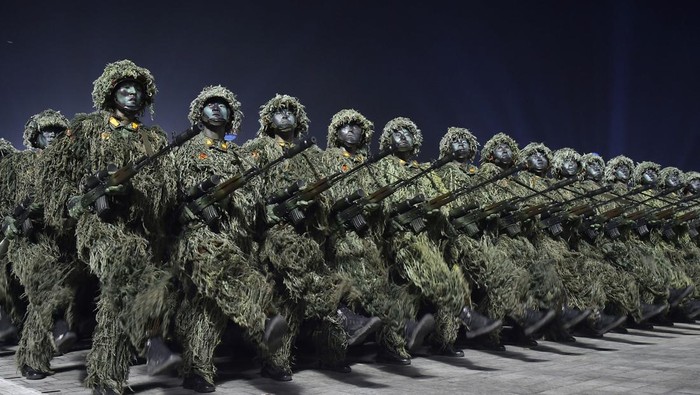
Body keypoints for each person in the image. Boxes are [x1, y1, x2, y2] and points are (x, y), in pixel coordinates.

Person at [39, 60, 181, 394]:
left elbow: (167, 188)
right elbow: (54, 172)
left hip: (138, 231)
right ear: (109, 92)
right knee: (127, 270)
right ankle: (152, 338)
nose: (131, 95)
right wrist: (74, 202)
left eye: (137, 90)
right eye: (124, 89)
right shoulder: (87, 128)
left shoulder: (152, 139)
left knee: (119, 293)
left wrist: (133, 188)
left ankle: (107, 376)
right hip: (96, 226)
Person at [243, 94, 378, 380]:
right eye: (277, 111)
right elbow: (247, 192)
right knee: (303, 288)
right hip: (276, 233)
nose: (284, 116)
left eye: (290, 111)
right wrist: (272, 210)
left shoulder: (313, 154)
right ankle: (279, 358)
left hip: (310, 234)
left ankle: (326, 356)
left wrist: (313, 204)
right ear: (267, 119)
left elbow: (328, 193)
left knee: (292, 303)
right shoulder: (257, 149)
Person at [171, 85, 288, 392]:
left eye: (223, 105)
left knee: (212, 308)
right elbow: (171, 195)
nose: (217, 108)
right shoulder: (184, 149)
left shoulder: (241, 157)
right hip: (200, 236)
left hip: (238, 237)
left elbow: (258, 199)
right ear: (199, 112)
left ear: (231, 115)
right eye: (210, 104)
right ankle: (259, 324)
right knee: (213, 296)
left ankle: (203, 368)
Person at [372, 118, 499, 357]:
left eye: (408, 132)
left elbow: (443, 202)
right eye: (397, 132)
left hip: (426, 237)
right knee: (435, 276)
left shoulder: (425, 171)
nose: (403, 136)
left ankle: (404, 341)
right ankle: (465, 315)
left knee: (410, 291)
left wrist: (432, 209)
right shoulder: (382, 167)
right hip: (399, 237)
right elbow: (379, 201)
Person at [318, 109, 434, 365]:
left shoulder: (370, 166)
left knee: (377, 287)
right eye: (345, 126)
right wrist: (338, 211)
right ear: (335, 132)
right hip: (338, 238)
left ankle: (395, 339)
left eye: (357, 126)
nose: (351, 130)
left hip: (366, 239)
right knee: (344, 294)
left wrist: (371, 208)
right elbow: (318, 196)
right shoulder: (325, 159)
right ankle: (333, 353)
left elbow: (384, 203)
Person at [2, 110, 85, 380]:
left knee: (51, 300)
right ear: (35, 135)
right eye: (46, 131)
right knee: (48, 291)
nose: (51, 135)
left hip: (62, 240)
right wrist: (9, 222)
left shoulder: (71, 166)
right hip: (29, 242)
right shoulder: (18, 163)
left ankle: (33, 356)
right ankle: (36, 353)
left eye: (57, 131)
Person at [435, 127, 527, 349]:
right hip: (453, 237)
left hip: (477, 236)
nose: (462, 144)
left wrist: (488, 212)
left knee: (502, 276)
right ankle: (445, 339)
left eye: (466, 141)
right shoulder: (441, 172)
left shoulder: (476, 175)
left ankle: (491, 331)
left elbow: (486, 201)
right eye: (456, 141)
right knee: (458, 283)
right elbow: (440, 204)